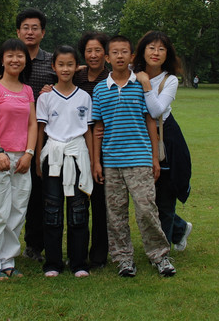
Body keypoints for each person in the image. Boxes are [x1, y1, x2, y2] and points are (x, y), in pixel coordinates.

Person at [91, 35, 176, 277]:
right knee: (116, 215)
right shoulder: (99, 89)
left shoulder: (140, 86)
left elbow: (151, 122)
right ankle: (123, 259)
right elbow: (97, 129)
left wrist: (153, 158)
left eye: (124, 52)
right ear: (107, 58)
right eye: (114, 52)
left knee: (147, 210)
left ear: (132, 57)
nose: (119, 56)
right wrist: (96, 162)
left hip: (139, 160)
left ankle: (159, 256)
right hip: (112, 162)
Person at [0, 8, 55, 262]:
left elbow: (67, 74)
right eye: (25, 27)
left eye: (35, 27)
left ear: (43, 32)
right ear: (18, 31)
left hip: (43, 137)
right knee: (7, 196)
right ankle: (2, 248)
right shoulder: (3, 58)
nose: (30, 32)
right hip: (8, 138)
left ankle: (33, 246)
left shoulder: (51, 60)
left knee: (38, 194)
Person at [0, 39, 38, 280]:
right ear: (1, 59)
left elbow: (32, 123)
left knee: (16, 211)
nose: (15, 60)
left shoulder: (27, 90)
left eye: (20, 56)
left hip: (22, 158)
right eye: (10, 55)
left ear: (25, 61)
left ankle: (7, 259)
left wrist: (29, 153)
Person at [36, 45, 94, 277]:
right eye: (61, 64)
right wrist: (38, 160)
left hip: (78, 155)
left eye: (70, 64)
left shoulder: (84, 96)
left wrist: (91, 159)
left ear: (76, 66)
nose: (65, 68)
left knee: (79, 209)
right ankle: (53, 262)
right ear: (53, 67)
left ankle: (78, 262)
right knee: (52, 210)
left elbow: (88, 131)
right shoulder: (46, 97)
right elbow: (40, 130)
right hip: (53, 157)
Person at [133, 31, 193, 252]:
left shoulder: (170, 80)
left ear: (168, 54)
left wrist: (146, 84)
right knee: (144, 198)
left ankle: (163, 251)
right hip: (138, 137)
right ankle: (179, 228)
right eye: (151, 47)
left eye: (161, 49)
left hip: (165, 139)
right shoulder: (131, 73)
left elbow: (156, 109)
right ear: (142, 50)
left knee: (164, 196)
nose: (155, 53)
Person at [74, 31, 110, 269]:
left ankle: (98, 255)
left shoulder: (113, 77)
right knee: (78, 201)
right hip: (77, 145)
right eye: (89, 50)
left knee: (100, 203)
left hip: (106, 147)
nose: (93, 55)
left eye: (98, 50)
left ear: (105, 54)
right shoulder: (77, 77)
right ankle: (77, 253)